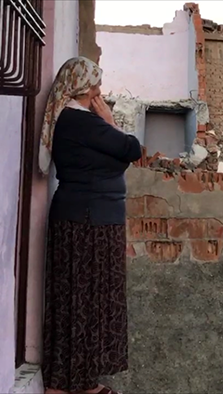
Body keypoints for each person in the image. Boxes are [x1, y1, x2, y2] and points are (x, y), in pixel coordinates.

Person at [40, 57, 143, 394]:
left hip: (82, 218)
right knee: (87, 301)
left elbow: (116, 158)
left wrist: (115, 157)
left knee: (76, 299)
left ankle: (70, 380)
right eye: (97, 83)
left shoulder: (69, 120)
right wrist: (111, 122)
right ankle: (75, 384)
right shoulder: (83, 122)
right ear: (86, 88)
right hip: (90, 223)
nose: (101, 89)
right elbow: (131, 148)